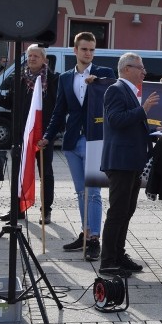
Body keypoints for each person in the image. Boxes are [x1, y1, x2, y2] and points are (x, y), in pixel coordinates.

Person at [40, 33, 115, 260]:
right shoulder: (64, 78)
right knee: (80, 191)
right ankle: (85, 233)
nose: (88, 54)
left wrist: (98, 84)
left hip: (95, 141)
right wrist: (48, 135)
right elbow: (59, 111)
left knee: (94, 193)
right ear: (75, 50)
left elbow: (112, 98)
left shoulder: (104, 73)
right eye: (84, 49)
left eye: (92, 50)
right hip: (72, 141)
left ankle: (94, 239)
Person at [99, 53, 159, 276]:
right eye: (140, 68)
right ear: (126, 69)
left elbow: (131, 124)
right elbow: (116, 120)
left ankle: (118, 254)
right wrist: (143, 110)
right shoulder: (116, 89)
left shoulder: (129, 92)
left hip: (131, 161)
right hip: (121, 162)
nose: (144, 72)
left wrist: (152, 134)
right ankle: (108, 261)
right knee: (118, 212)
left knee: (126, 211)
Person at [0, 45, 58, 224]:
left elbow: (59, 109)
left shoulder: (53, 80)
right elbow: (11, 103)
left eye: (36, 56)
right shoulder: (17, 78)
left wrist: (50, 134)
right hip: (21, 134)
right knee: (18, 172)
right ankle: (17, 210)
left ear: (44, 59)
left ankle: (46, 210)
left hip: (43, 136)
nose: (32, 59)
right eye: (29, 56)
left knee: (46, 174)